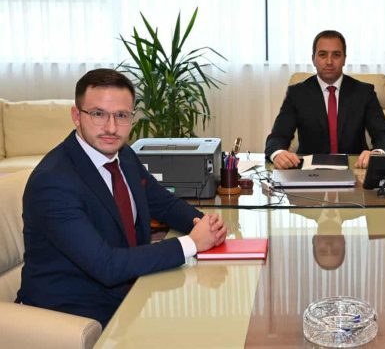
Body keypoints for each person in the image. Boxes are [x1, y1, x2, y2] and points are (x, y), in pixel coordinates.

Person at [16, 68, 228, 327]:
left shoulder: (123, 155)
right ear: (76, 116)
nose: (111, 128)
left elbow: (163, 203)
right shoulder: (53, 182)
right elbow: (106, 266)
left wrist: (204, 224)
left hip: (130, 294)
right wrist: (192, 243)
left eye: (121, 115)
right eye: (98, 114)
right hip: (73, 315)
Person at [265, 30, 385, 169]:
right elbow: (278, 136)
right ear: (313, 59)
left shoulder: (364, 92)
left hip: (355, 168)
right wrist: (278, 154)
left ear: (344, 59)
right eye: (322, 55)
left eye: (336, 55)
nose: (329, 61)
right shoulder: (297, 93)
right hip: (310, 172)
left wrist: (376, 154)